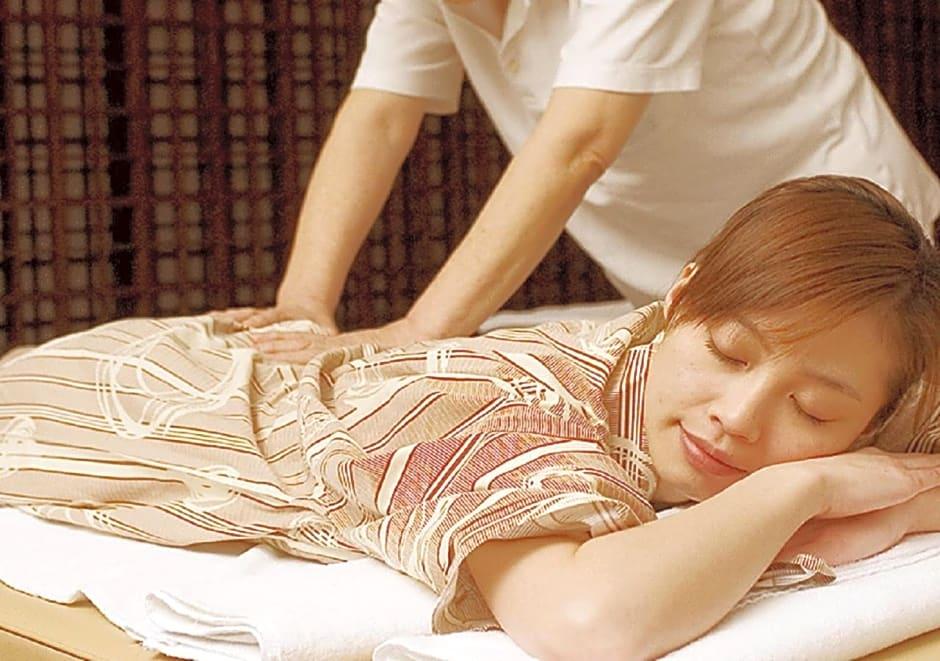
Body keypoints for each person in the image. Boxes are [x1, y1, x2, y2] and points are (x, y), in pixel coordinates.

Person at [1, 176, 939, 658]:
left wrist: (881, 493)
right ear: (680, 296)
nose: (738, 417)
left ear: (874, 417)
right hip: (113, 397)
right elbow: (587, 621)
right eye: (728, 353)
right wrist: (809, 487)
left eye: (812, 410)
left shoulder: (862, 378)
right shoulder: (519, 402)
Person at [216, 0, 940, 364]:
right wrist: (304, 303)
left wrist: (417, 333)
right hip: (681, 287)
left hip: (847, 243)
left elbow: (581, 141)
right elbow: (377, 116)